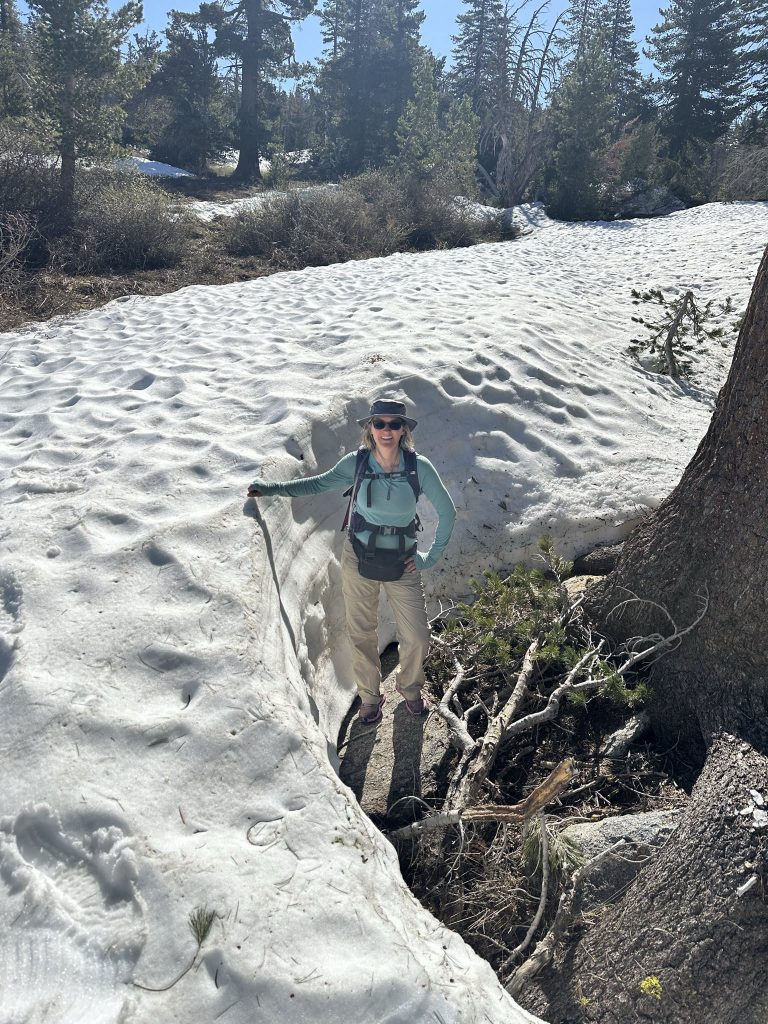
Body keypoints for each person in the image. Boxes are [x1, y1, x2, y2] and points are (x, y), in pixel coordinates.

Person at [247, 398, 456, 725]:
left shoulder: (418, 468)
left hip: (403, 561)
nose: (387, 430)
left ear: (404, 430)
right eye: (380, 423)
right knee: (361, 632)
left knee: (417, 636)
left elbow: (448, 512)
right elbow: (317, 483)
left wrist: (430, 556)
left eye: (394, 424)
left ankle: (410, 687)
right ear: (370, 428)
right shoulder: (356, 463)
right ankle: (370, 697)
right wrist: (272, 487)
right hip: (359, 557)